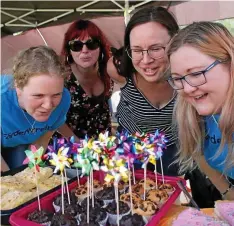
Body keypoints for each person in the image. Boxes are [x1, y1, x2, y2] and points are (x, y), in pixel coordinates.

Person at [107, 6, 180, 176]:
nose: (146, 61)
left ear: (175, 42)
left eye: (156, 48)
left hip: (172, 146)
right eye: (137, 50)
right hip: (130, 144)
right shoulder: (118, 70)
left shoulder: (189, 75)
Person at [167, 21, 234, 200]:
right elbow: (199, 155)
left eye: (196, 74)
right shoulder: (191, 113)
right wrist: (227, 192)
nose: (187, 89)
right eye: (178, 79)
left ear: (230, 63)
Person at [1, 46, 71, 171]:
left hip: (21, 142)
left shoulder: (64, 99)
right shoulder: (3, 99)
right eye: (38, 95)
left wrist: (30, 172)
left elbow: (42, 139)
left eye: (56, 95)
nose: (48, 105)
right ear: (18, 87)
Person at [57, 19, 113, 140]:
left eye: (92, 43)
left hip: (103, 147)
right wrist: (79, 146)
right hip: (67, 147)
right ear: (69, 50)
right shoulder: (61, 77)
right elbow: (54, 117)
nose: (85, 50)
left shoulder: (109, 72)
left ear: (100, 47)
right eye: (76, 45)